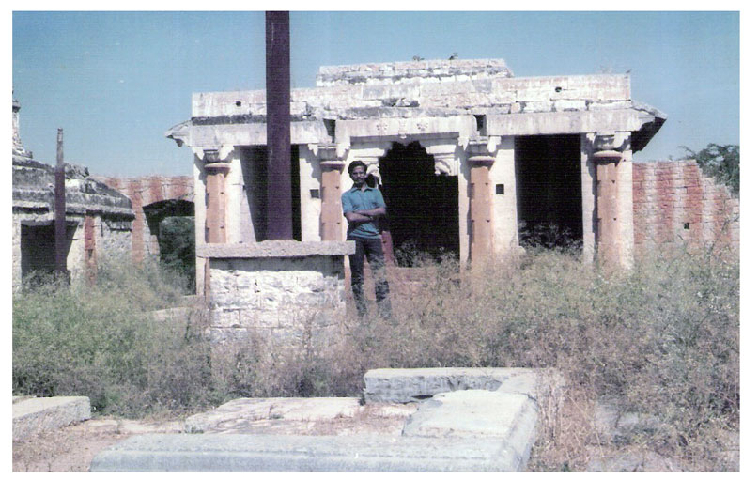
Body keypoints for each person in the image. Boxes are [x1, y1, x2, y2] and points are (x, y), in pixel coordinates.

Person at [342, 161, 392, 318]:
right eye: (355, 173)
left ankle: (386, 315)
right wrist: (371, 215)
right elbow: (350, 217)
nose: (359, 176)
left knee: (380, 275)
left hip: (373, 238)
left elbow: (382, 211)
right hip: (355, 239)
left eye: (361, 173)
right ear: (350, 175)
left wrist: (361, 212)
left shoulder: (375, 193)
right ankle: (362, 315)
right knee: (357, 278)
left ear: (365, 174)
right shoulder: (346, 196)